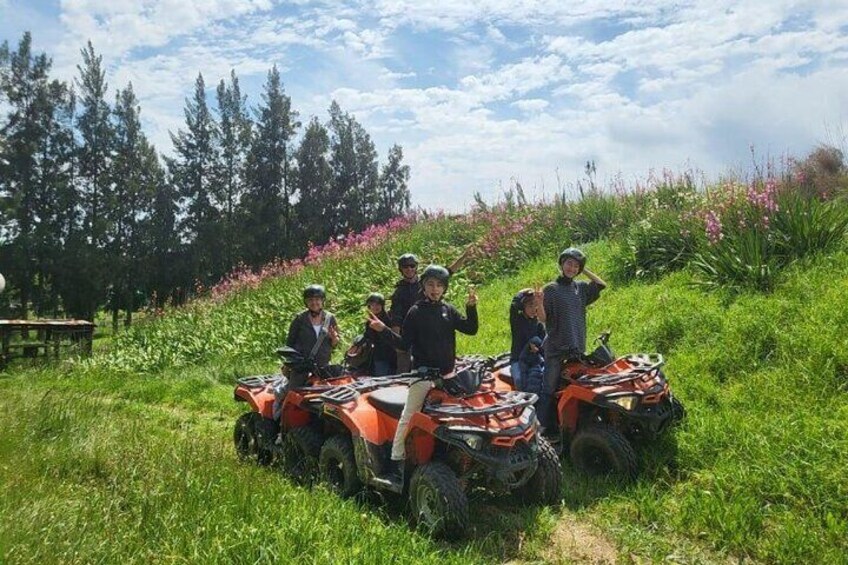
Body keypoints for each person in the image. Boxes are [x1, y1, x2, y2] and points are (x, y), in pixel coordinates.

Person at [368, 265, 478, 486]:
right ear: (424, 286)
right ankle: (396, 458)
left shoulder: (448, 309)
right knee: (409, 414)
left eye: (439, 285)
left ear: (445, 288)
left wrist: (471, 307)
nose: (435, 289)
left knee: (466, 410)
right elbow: (403, 344)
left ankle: (462, 454)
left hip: (448, 375)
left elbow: (470, 329)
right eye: (430, 284)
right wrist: (383, 330)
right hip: (423, 376)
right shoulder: (415, 312)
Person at [535, 247, 607, 428]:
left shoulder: (580, 288)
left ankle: (572, 424)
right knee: (549, 388)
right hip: (556, 349)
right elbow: (543, 319)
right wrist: (539, 303)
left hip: (576, 347)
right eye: (569, 263)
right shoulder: (551, 289)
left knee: (575, 385)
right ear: (561, 264)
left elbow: (601, 284)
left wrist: (584, 269)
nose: (572, 268)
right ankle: (541, 427)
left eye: (576, 266)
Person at [388, 247, 475, 372]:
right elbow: (396, 318)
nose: (409, 269)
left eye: (412, 266)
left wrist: (464, 257)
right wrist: (398, 342)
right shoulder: (399, 292)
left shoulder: (427, 280)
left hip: (430, 325)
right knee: (404, 365)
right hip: (411, 329)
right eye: (405, 267)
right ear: (401, 269)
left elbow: (447, 272)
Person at [285, 284, 340, 387]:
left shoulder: (330, 318)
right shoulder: (299, 319)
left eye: (317, 299)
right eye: (310, 300)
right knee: (294, 390)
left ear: (322, 301)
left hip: (322, 365)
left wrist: (334, 338)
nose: (314, 302)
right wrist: (288, 364)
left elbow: (334, 345)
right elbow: (290, 344)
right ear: (306, 302)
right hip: (302, 365)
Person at [509, 288, 546, 391]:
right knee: (519, 380)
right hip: (517, 359)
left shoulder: (539, 324)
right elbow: (513, 306)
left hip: (535, 360)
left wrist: (537, 348)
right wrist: (526, 292)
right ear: (522, 307)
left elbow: (543, 344)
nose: (534, 309)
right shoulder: (517, 321)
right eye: (530, 306)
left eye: (536, 305)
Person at [518, 336, 550, 428]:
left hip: (536, 390)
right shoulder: (526, 359)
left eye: (538, 346)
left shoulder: (540, 359)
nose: (536, 348)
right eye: (534, 346)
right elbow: (523, 374)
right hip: (532, 391)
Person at [362, 292, 397, 376]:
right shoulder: (369, 320)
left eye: (378, 304)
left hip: (387, 355)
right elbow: (367, 336)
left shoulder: (388, 319)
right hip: (376, 355)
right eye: (372, 305)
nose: (375, 307)